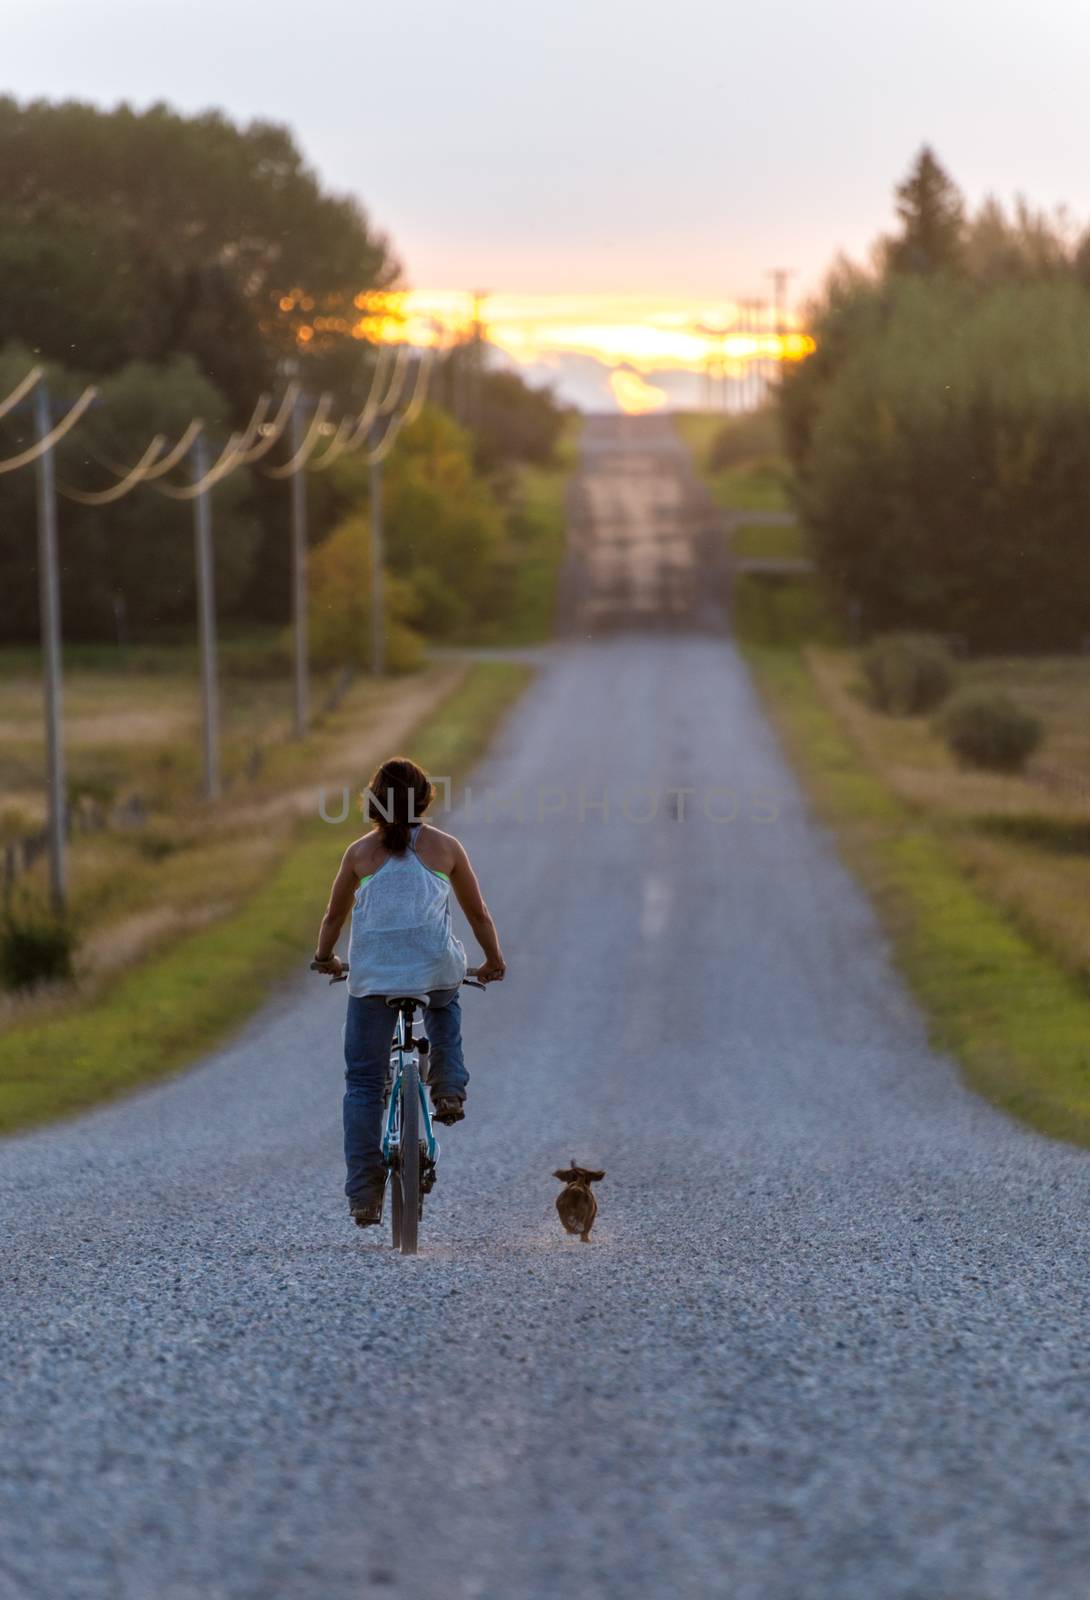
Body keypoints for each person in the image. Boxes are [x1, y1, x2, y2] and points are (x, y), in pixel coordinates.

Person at [312, 756, 506, 1226]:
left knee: (363, 1085)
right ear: (425, 799)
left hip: (373, 978)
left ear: (373, 802)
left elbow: (334, 918)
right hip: (434, 969)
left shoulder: (359, 853)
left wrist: (325, 958)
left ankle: (364, 1195)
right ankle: (449, 1087)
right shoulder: (445, 848)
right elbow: (478, 913)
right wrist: (494, 961)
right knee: (444, 999)